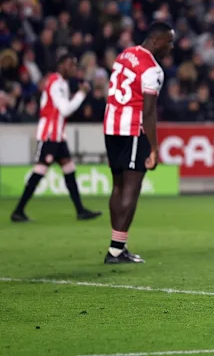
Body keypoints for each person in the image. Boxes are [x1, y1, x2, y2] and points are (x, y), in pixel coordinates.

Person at [103, 21, 174, 264]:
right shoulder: (153, 69)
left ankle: (117, 246)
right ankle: (116, 249)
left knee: (118, 186)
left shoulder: (125, 54)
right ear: (156, 40)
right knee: (131, 188)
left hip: (111, 125)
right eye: (168, 42)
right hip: (133, 129)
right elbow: (149, 112)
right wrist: (153, 148)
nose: (171, 47)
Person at [10, 54, 102, 222]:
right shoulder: (55, 82)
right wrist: (81, 94)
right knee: (40, 171)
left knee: (69, 170)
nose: (73, 68)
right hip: (49, 135)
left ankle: (80, 210)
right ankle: (18, 211)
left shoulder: (62, 83)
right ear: (61, 65)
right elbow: (65, 110)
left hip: (58, 135)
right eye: (70, 64)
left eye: (74, 65)